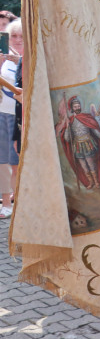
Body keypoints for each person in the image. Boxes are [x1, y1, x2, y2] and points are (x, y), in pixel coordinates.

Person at [0, 19, 23, 218]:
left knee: (18, 162)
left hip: (24, 116)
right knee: (5, 161)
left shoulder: (32, 58)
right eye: (13, 36)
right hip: (4, 113)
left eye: (21, 37)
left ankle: (20, 200)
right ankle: (6, 201)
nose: (16, 40)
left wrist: (20, 63)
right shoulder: (4, 58)